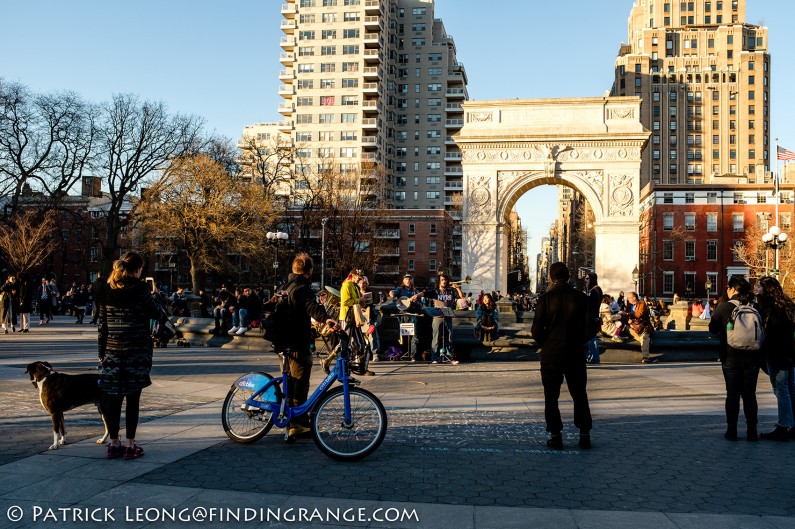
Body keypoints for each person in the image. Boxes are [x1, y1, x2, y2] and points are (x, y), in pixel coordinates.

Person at [96, 251, 168, 460]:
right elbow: (159, 315)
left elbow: (103, 326)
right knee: (132, 398)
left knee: (112, 399)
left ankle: (113, 443)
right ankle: (130, 445)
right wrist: (154, 296)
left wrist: (102, 353)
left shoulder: (106, 291)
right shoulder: (141, 290)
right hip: (136, 352)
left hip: (112, 351)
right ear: (137, 270)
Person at [530, 262, 593, 450]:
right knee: (579, 394)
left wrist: (546, 343)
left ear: (551, 277)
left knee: (551, 397)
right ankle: (584, 435)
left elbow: (535, 330)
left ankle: (555, 435)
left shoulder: (545, 299)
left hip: (552, 354)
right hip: (575, 352)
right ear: (569, 276)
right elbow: (591, 328)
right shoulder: (582, 298)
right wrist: (579, 340)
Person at [280, 253, 336, 440]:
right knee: (300, 383)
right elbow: (312, 307)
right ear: (309, 271)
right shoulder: (302, 288)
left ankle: (290, 418)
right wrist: (326, 318)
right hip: (297, 343)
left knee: (290, 382)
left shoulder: (286, 286)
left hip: (284, 342)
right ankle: (298, 424)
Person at [709, 276, 760, 442]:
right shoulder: (755, 307)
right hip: (752, 357)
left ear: (731, 289)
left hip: (730, 356)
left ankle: (732, 431)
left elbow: (713, 330)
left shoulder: (724, 307)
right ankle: (752, 431)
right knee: (750, 395)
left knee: (732, 394)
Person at [753, 276, 795, 441]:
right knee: (790, 389)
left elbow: (771, 334)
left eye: (759, 286)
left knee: (781, 389)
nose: (757, 288)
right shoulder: (788, 305)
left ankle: (783, 426)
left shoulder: (770, 308)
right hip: (790, 353)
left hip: (777, 354)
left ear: (767, 289)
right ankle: (792, 424)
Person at [424, 272, 467, 364]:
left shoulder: (451, 291)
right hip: (437, 318)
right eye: (442, 280)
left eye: (445, 280)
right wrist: (416, 296)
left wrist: (457, 288)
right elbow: (423, 294)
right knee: (436, 338)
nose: (444, 281)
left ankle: (449, 356)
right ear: (439, 281)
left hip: (448, 317)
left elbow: (462, 297)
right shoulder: (435, 291)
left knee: (449, 337)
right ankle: (434, 357)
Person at [339, 268, 372, 375]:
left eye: (362, 277)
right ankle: (342, 365)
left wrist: (364, 300)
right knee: (345, 343)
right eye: (359, 277)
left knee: (361, 344)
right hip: (347, 318)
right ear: (353, 275)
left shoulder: (355, 286)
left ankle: (357, 365)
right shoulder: (347, 285)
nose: (360, 279)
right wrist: (359, 300)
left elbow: (358, 302)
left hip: (355, 319)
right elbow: (345, 302)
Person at [392, 273, 423, 361]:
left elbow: (421, 302)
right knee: (402, 335)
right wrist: (392, 293)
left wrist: (416, 300)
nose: (408, 280)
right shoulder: (399, 289)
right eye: (406, 279)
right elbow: (394, 293)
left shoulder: (415, 290)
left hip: (413, 314)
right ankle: (401, 353)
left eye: (409, 279)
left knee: (414, 335)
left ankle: (413, 355)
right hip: (403, 314)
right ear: (403, 280)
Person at [623, 292, 655, 363]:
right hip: (632, 327)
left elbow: (638, 314)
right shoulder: (629, 306)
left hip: (643, 326)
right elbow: (626, 317)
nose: (628, 299)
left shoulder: (641, 304)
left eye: (629, 298)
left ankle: (646, 357)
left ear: (634, 298)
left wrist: (627, 314)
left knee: (645, 337)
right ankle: (645, 345)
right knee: (626, 328)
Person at [357, 276, 380, 363]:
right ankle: (360, 354)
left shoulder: (371, 292)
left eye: (364, 283)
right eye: (361, 283)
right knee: (358, 336)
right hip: (358, 316)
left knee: (372, 336)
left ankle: (375, 354)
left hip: (369, 317)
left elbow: (373, 303)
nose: (363, 285)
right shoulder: (356, 292)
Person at [584, 272, 603, 364]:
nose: (585, 280)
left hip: (592, 318)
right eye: (585, 278)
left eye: (587, 279)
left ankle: (595, 357)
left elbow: (593, 305)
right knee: (590, 338)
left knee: (593, 338)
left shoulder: (596, 290)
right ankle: (591, 356)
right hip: (590, 317)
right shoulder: (592, 290)